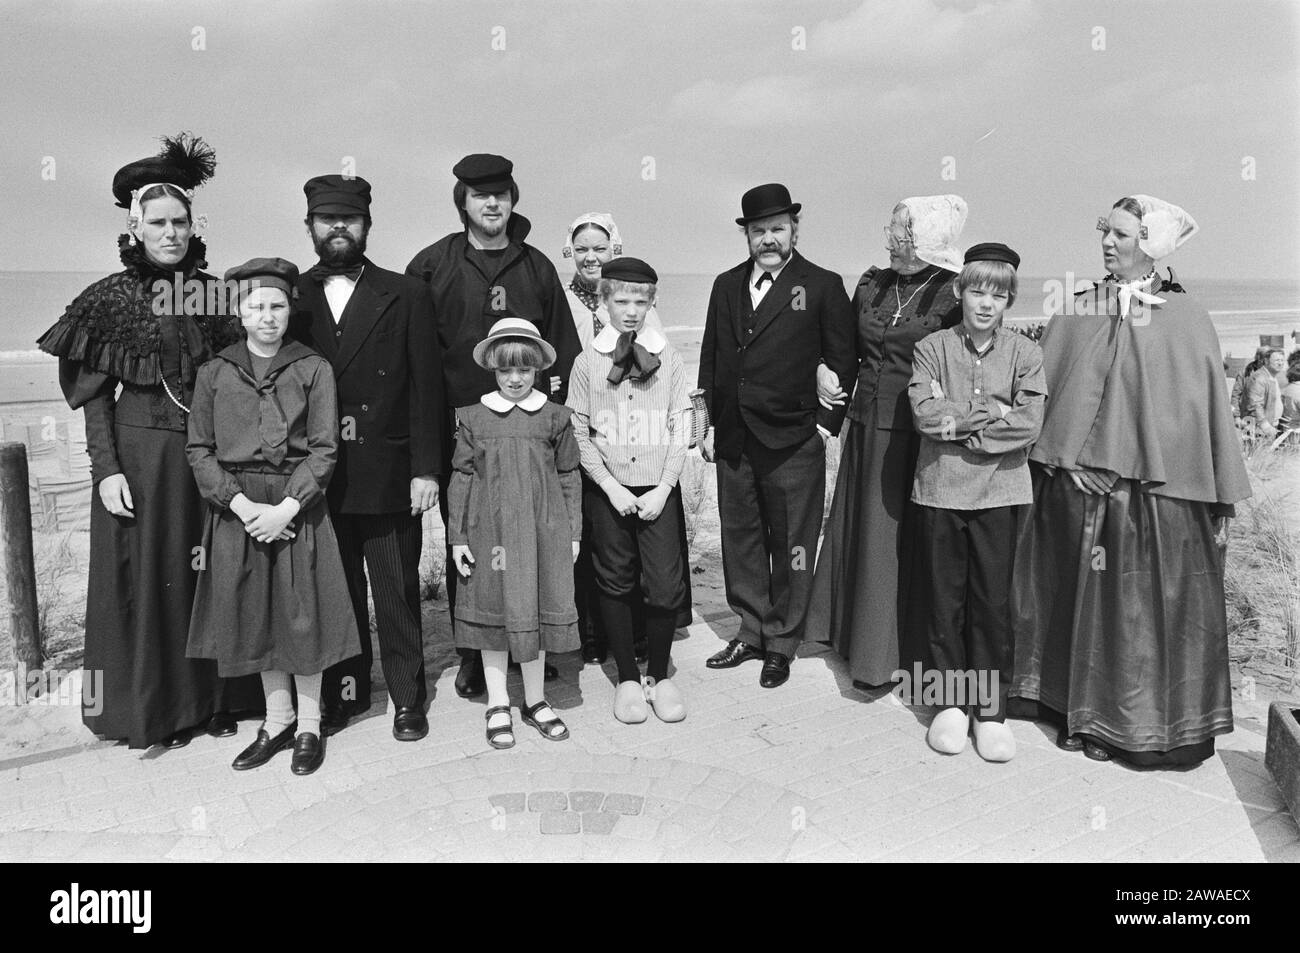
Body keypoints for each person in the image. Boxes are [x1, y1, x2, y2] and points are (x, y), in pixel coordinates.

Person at [35, 133, 260, 749]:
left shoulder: (217, 295)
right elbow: (93, 397)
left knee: (214, 574)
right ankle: (158, 711)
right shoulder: (107, 299)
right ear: (136, 229)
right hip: (141, 460)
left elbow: (241, 381)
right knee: (150, 579)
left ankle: (219, 699)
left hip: (210, 459)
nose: (171, 233)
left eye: (180, 221)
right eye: (158, 223)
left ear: (194, 225)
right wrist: (105, 470)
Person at [1010, 195, 1251, 768]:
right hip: (1074, 491)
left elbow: (1195, 410)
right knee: (1067, 598)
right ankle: (1064, 708)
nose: (1107, 243)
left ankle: (1125, 726)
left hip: (1153, 501)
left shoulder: (1185, 317)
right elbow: (1052, 391)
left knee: (1136, 612)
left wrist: (1127, 463)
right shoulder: (1079, 307)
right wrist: (1070, 460)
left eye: (1121, 234)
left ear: (1152, 243)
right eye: (1105, 232)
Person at [406, 154, 581, 696]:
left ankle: (531, 643)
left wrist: (554, 424)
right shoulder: (431, 265)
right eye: (480, 196)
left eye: (501, 196)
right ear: (463, 202)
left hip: (527, 429)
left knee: (528, 536)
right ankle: (474, 651)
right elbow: (414, 356)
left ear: (512, 202)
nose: (491, 204)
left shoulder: (537, 266)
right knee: (474, 538)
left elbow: (563, 355)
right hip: (456, 426)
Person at [186, 258, 358, 775]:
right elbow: (199, 449)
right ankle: (276, 719)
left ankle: (309, 722)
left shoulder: (312, 368)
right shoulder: (215, 372)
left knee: (300, 612)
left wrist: (286, 505)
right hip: (238, 506)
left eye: (277, 306)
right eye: (256, 306)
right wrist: (241, 506)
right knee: (255, 613)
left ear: (290, 310)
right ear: (238, 312)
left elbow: (326, 448)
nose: (267, 316)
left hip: (296, 504)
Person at [290, 175, 444, 742]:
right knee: (339, 592)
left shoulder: (406, 294)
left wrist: (427, 468)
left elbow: (428, 387)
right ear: (308, 227)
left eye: (348, 220)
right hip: (319, 474)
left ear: (367, 226)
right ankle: (348, 695)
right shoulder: (292, 296)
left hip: (390, 471)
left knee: (397, 589)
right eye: (326, 219)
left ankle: (408, 698)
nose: (338, 228)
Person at [805, 195, 967, 689]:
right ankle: (842, 632)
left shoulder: (951, 294)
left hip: (913, 434)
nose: (888, 240)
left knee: (887, 539)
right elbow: (844, 351)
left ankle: (882, 654)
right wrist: (822, 372)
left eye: (898, 233)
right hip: (862, 422)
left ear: (924, 240)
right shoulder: (873, 283)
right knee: (854, 526)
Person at [698, 183, 857, 688]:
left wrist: (824, 427)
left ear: (794, 229)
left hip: (793, 437)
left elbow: (844, 360)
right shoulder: (725, 285)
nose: (768, 239)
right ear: (746, 234)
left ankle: (783, 641)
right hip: (735, 437)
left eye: (777, 229)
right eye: (758, 231)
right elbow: (712, 355)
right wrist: (706, 422)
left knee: (792, 542)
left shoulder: (823, 284)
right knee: (740, 537)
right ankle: (750, 630)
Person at [905, 243, 1045, 761]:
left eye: (999, 294)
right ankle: (948, 705)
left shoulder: (1026, 354)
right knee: (945, 600)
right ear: (960, 292)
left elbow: (1029, 423)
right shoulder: (931, 348)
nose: (987, 303)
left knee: (990, 603)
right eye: (977, 291)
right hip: (941, 490)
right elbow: (925, 414)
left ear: (1009, 300)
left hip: (1001, 495)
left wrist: (964, 426)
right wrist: (992, 409)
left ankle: (989, 712)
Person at [447, 319, 582, 749]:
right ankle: (499, 701)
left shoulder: (556, 417)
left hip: (544, 531)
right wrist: (457, 537)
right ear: (492, 367)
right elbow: (462, 477)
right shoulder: (472, 417)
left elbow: (568, 475)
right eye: (506, 370)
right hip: (491, 535)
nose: (515, 379)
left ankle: (537, 699)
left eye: (524, 369)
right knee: (495, 612)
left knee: (536, 609)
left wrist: (573, 533)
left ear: (538, 369)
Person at [567, 258, 692, 723]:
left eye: (642, 301)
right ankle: (625, 679)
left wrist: (664, 486)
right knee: (614, 581)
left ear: (653, 303)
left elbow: (681, 425)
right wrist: (608, 486)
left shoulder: (671, 358)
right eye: (621, 301)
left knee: (663, 585)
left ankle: (658, 675)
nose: (632, 310)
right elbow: (578, 430)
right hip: (608, 492)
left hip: (659, 489)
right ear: (603, 302)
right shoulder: (587, 363)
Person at [561, 212, 676, 664]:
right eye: (582, 247)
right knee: (604, 555)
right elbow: (577, 414)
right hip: (598, 453)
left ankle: (646, 640)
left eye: (600, 247)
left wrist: (666, 480)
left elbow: (677, 409)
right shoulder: (571, 312)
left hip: (649, 469)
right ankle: (600, 640)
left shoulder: (649, 323)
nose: (591, 255)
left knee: (654, 568)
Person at [1242, 348, 1285, 438]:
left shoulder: (1271, 377)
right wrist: (1265, 425)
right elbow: (1255, 405)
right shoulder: (1259, 378)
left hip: (1268, 426)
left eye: (1282, 360)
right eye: (1277, 360)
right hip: (1259, 429)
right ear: (1266, 361)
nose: (1280, 363)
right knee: (1256, 451)